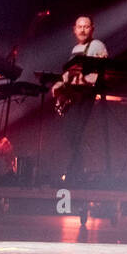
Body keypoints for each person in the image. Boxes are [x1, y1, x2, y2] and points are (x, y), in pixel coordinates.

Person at [50, 15, 109, 184]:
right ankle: (76, 171)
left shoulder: (97, 45)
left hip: (85, 95)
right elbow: (70, 74)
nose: (82, 30)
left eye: (86, 26)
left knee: (77, 133)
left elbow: (98, 70)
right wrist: (59, 86)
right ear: (74, 30)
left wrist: (80, 84)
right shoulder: (75, 49)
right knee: (71, 134)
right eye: (79, 27)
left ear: (92, 29)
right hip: (73, 96)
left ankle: (76, 173)